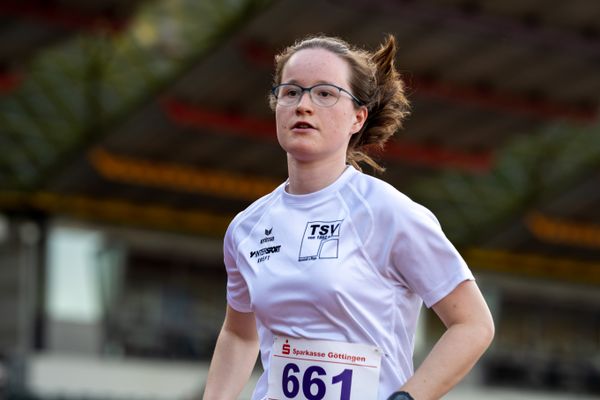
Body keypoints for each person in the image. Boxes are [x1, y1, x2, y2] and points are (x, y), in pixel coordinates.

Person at [203, 34, 494, 400]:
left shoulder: (389, 213)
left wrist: (406, 398)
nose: (303, 105)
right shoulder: (247, 227)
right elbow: (239, 334)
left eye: (324, 93)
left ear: (358, 117)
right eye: (291, 92)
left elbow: (473, 325)